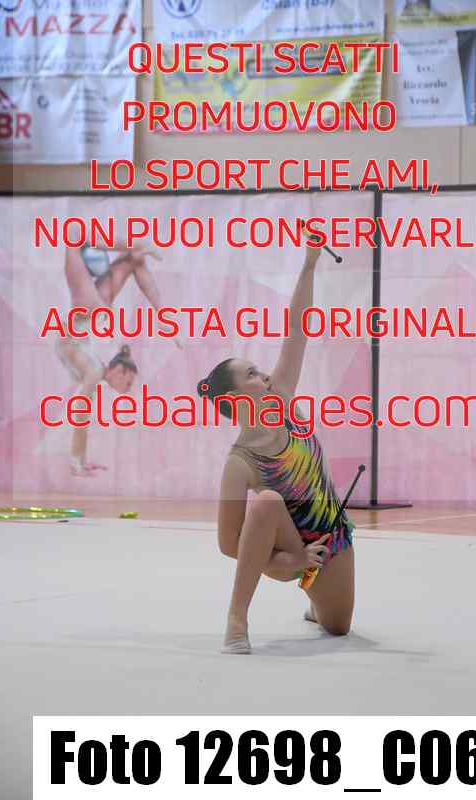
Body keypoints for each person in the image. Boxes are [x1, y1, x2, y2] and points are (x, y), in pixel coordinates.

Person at [197, 240, 355, 654]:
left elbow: (298, 330)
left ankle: (317, 602)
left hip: (329, 533)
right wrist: (287, 561)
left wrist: (310, 263)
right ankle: (236, 618)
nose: (265, 375)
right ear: (235, 398)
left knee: (338, 627)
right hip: (287, 544)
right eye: (252, 374)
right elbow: (228, 543)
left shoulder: (282, 400)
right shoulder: (240, 462)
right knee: (266, 502)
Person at [56, 240, 171, 476]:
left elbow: (81, 416)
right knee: (81, 244)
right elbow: (80, 416)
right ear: (121, 371)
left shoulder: (96, 368)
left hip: (86, 316)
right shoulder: (95, 370)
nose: (126, 391)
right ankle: (135, 246)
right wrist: (77, 461)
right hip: (87, 311)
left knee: (130, 261)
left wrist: (81, 459)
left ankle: (135, 247)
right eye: (128, 383)